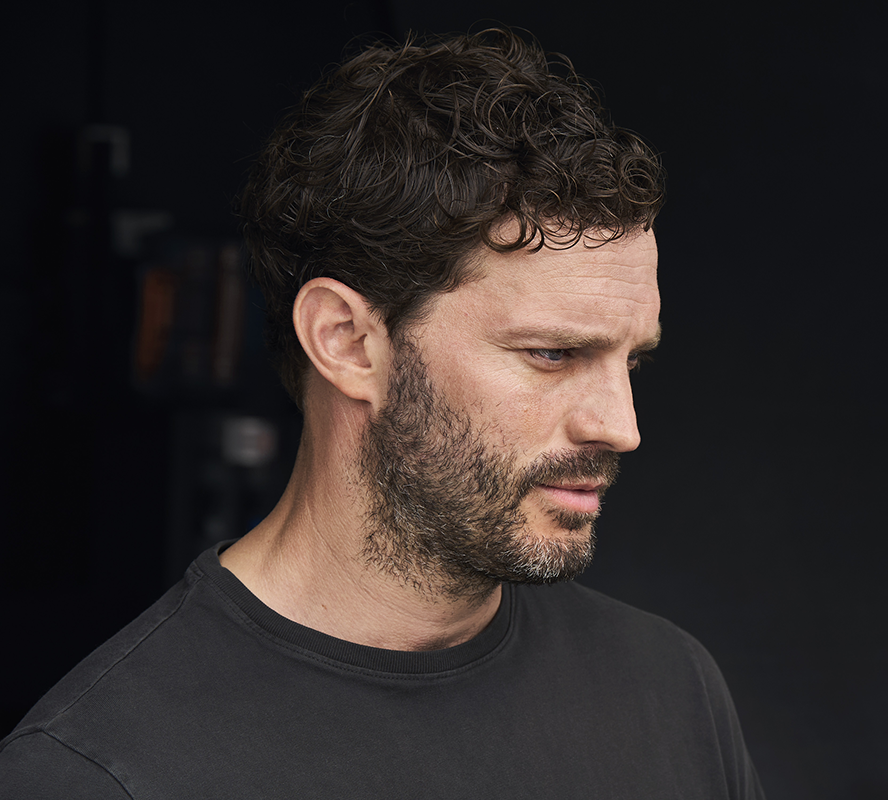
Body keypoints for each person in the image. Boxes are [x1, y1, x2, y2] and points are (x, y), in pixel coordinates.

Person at [0, 29, 764, 799]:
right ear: (348, 343)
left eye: (632, 361)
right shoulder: (96, 772)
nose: (620, 427)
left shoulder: (670, 691)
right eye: (553, 355)